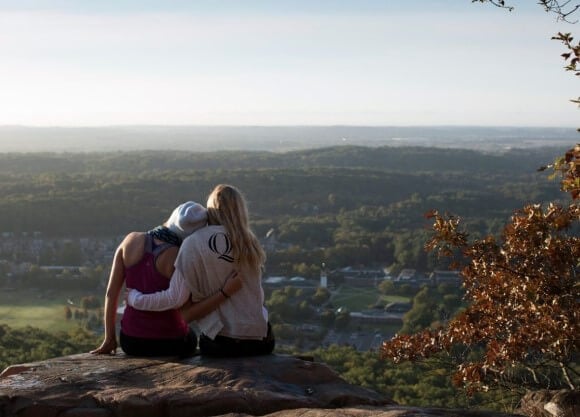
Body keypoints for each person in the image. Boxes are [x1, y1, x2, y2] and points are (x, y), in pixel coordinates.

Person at [127, 184, 275, 357]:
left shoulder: (192, 243)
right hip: (262, 342)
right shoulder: (249, 242)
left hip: (222, 344)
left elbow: (186, 315)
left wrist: (135, 298)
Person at [91, 201, 242, 357]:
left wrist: (109, 338)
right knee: (192, 336)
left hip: (131, 341)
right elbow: (182, 304)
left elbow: (111, 293)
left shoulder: (130, 240)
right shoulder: (181, 256)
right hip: (171, 342)